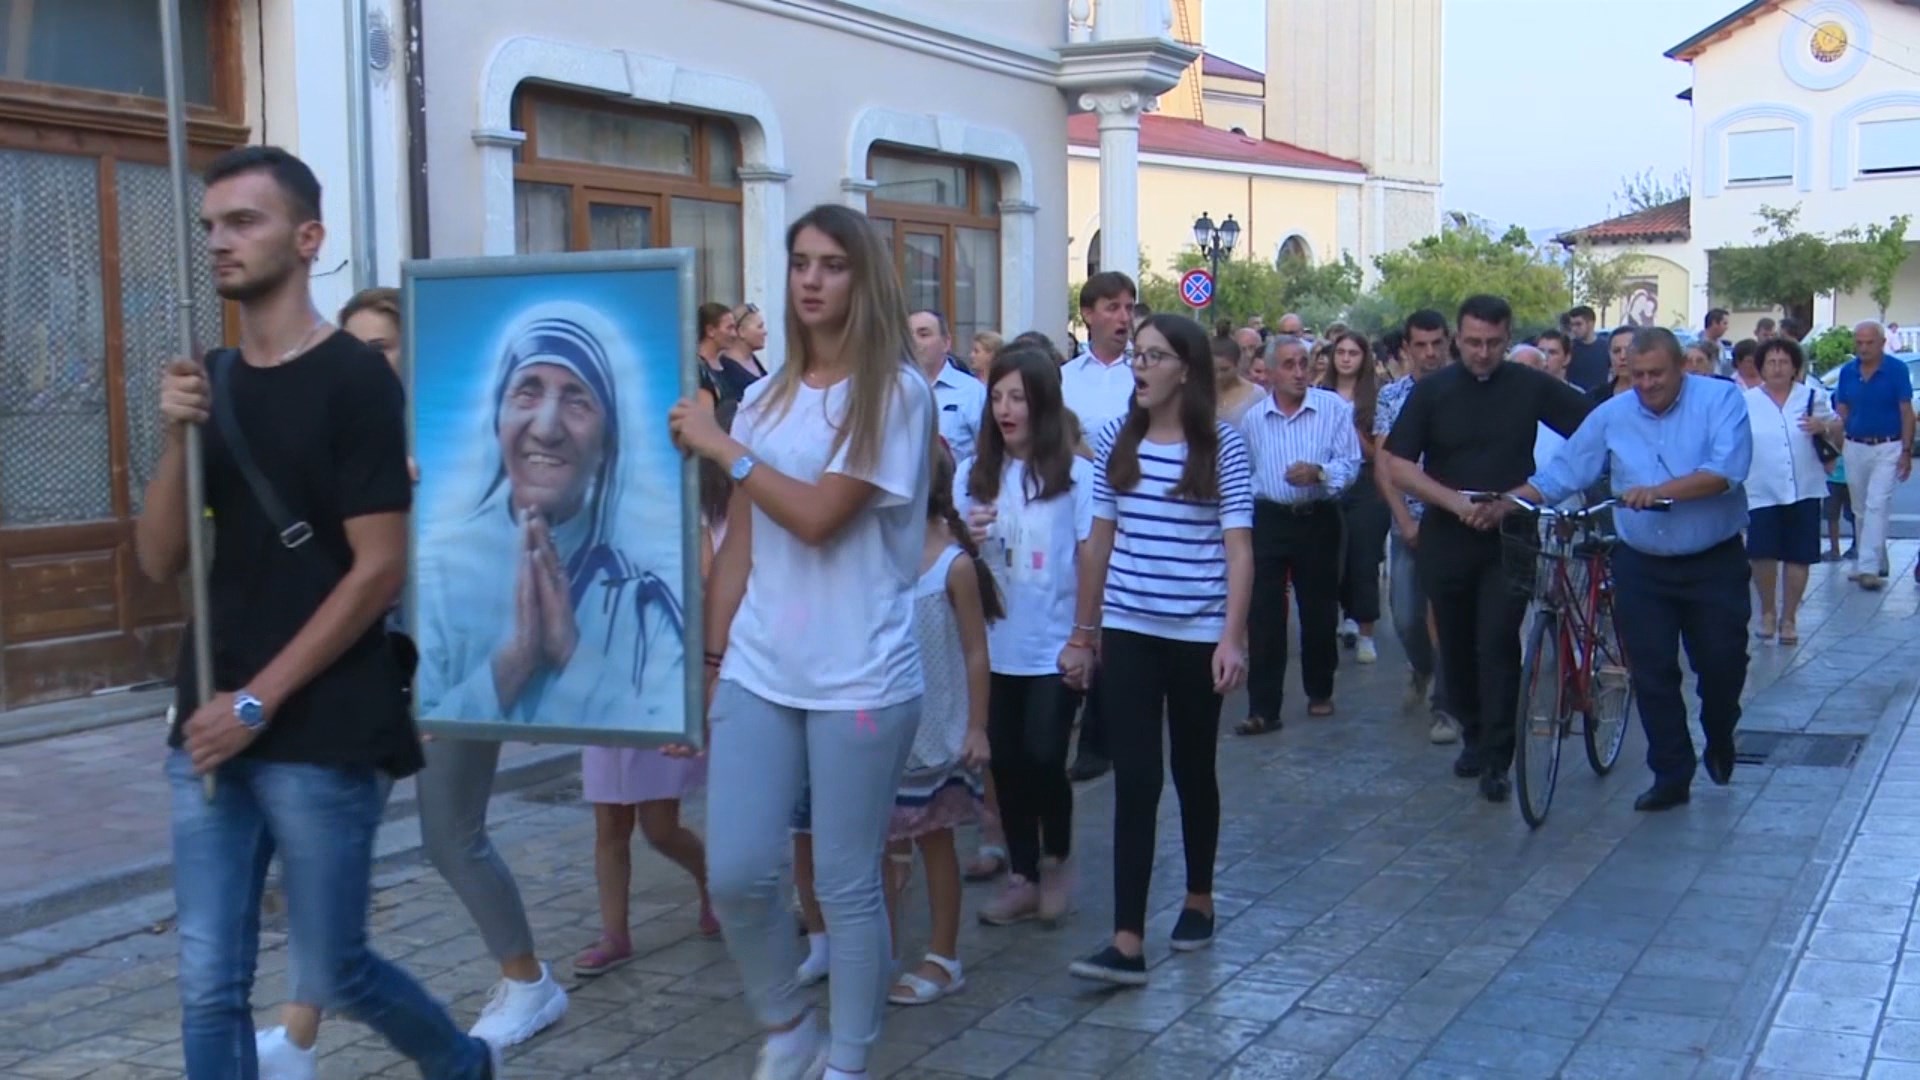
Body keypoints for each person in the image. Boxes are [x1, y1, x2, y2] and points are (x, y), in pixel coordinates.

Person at [136, 146, 496, 1079]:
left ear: (307, 239)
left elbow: (379, 570)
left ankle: (459, 1063)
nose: (219, 241)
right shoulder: (208, 376)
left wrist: (255, 702)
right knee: (208, 980)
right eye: (209, 225)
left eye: (242, 222)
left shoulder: (355, 381)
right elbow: (159, 557)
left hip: (323, 725)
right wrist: (178, 436)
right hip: (208, 715)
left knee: (333, 968)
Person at [666, 202, 934, 1080]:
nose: (812, 279)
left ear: (863, 280)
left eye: (831, 264)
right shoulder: (770, 396)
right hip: (759, 668)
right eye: (799, 263)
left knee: (846, 882)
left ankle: (847, 1061)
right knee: (740, 871)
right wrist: (705, 667)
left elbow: (818, 516)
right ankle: (786, 1025)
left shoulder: (894, 393)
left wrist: (722, 449)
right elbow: (739, 546)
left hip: (861, 675)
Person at [252, 285, 419, 1079]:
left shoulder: (437, 443)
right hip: (335, 683)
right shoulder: (333, 437)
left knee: (454, 843)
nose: (365, 362)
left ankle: (510, 992)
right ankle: (299, 1037)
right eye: (355, 346)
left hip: (406, 685)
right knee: (319, 879)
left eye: (380, 347)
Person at [1061, 313, 1252, 985]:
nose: (1139, 367)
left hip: (1197, 635)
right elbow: (1099, 544)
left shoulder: (1222, 447)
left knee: (1193, 770)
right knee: (1135, 780)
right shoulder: (1117, 440)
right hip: (1130, 631)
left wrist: (1232, 636)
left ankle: (1199, 895)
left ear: (1187, 370)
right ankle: (1127, 939)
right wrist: (1084, 634)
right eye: (1136, 355)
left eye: (1155, 356)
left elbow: (1238, 547)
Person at [1510, 328, 1753, 811]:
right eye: (1636, 374)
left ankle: (1720, 730)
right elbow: (1565, 471)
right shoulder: (1612, 415)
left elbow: (1728, 470)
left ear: (1682, 366)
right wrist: (1512, 501)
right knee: (1652, 670)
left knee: (1722, 663)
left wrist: (1661, 491)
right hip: (1642, 562)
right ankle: (1671, 774)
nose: (1646, 384)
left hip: (1713, 560)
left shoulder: (1721, 400)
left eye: (1657, 374)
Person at [1381, 295, 1592, 803]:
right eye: (1473, 342)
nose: (1482, 352)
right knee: (1454, 644)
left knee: (1497, 640)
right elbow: (1398, 463)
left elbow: (1590, 431)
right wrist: (1453, 503)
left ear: (1507, 336)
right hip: (1449, 530)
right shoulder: (1433, 392)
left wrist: (1530, 493)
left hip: (1509, 528)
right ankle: (1473, 734)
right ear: (1459, 337)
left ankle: (1500, 756)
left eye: (1493, 343)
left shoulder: (1530, 385)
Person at [572, 441, 730, 977]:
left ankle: (711, 880)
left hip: (660, 682)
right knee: (608, 823)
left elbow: (706, 579)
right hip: (607, 686)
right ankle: (614, 933)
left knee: (659, 825)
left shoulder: (685, 514)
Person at [958, 343, 1096, 928]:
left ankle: (1057, 855)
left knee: (1044, 755)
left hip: (1053, 641)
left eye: (1018, 397)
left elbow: (1092, 557)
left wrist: (1085, 638)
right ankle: (1022, 873)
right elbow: (950, 558)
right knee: (1006, 762)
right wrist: (965, 534)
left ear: (1042, 404)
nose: (1005, 409)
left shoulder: (1077, 475)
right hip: (993, 645)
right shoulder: (974, 473)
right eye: (996, 397)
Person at [880, 443, 996, 1006]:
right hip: (884, 725)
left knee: (934, 841)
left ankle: (944, 955)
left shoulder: (954, 565)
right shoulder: (878, 553)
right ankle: (879, 949)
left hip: (937, 729)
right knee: (881, 844)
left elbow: (975, 650)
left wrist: (977, 726)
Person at [1234, 335, 1361, 735]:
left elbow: (1350, 462)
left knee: (1319, 609)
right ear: (1269, 372)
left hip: (1317, 516)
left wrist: (1320, 474)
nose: (1299, 372)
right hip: (1270, 518)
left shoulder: (1333, 409)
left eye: (1304, 363)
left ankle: (1319, 688)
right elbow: (1249, 471)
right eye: (1288, 365)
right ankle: (1263, 707)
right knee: (1265, 614)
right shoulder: (1254, 418)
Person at [1059, 271, 1139, 783]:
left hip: (1129, 512)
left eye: (1129, 308)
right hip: (1071, 510)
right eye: (1112, 307)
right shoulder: (1065, 380)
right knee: (1076, 608)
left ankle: (1101, 738)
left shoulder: (1142, 377)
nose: (1123, 318)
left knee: (1113, 616)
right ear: (1088, 314)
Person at [1375, 310, 1455, 743]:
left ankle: (1446, 705)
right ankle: (1422, 668)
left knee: (1442, 615)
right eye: (1419, 345)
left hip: (1452, 521)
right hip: (1409, 523)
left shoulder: (1465, 389)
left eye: (1436, 344)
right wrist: (1403, 519)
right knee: (1406, 616)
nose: (1429, 353)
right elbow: (1384, 464)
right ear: (1406, 349)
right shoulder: (1393, 397)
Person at [1742, 337, 1840, 646]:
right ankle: (1768, 612)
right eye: (1771, 362)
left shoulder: (1812, 396)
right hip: (1761, 487)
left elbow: (1838, 429)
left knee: (1799, 555)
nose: (1777, 367)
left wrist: (1822, 426)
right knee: (1762, 554)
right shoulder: (1747, 400)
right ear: (1760, 368)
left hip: (1805, 486)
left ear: (1795, 366)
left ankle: (1789, 618)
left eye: (1784, 362)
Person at [1322, 330, 1386, 664]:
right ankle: (1337, 619)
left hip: (1365, 482)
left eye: (1353, 353)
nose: (1346, 358)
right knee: (1330, 558)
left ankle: (1365, 634)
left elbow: (1381, 452)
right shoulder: (1319, 394)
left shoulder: (1377, 399)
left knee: (1364, 558)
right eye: (1341, 352)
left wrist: (1355, 435)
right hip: (1328, 479)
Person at [1833, 320, 1913, 589]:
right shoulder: (1847, 372)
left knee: (1877, 503)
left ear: (1881, 343)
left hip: (1888, 445)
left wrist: (1906, 451)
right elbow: (1842, 410)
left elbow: (1906, 411)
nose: (1864, 348)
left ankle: (1867, 568)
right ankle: (1877, 559)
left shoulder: (1897, 370)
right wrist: (1832, 442)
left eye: (1869, 343)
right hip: (1854, 445)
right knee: (1860, 508)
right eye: (1859, 342)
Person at [911, 309, 986, 463]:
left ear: (946, 343)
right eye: (908, 336)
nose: (914, 342)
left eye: (923, 334)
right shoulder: (892, 392)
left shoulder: (971, 392)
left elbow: (989, 453)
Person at [696, 301, 758, 405]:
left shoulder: (727, 366)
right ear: (710, 331)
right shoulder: (699, 370)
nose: (734, 334)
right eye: (729, 328)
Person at [1213, 334, 1264, 424]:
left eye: (1225, 370)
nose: (1219, 376)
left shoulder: (1257, 395)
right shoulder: (1201, 392)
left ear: (1237, 364)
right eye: (1213, 370)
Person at [1563, 305, 1612, 391]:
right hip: (1574, 397)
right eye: (1572, 325)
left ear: (1590, 324)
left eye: (1578, 324)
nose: (1574, 329)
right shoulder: (1569, 347)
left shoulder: (1606, 347)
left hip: (1599, 399)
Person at [724, 302, 772, 382]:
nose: (765, 332)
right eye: (759, 327)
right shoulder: (727, 369)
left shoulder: (752, 359)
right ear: (741, 331)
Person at [1589, 326, 1635, 404]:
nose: (1622, 356)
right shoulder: (1596, 396)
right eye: (1616, 351)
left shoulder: (1656, 396)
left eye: (1629, 350)